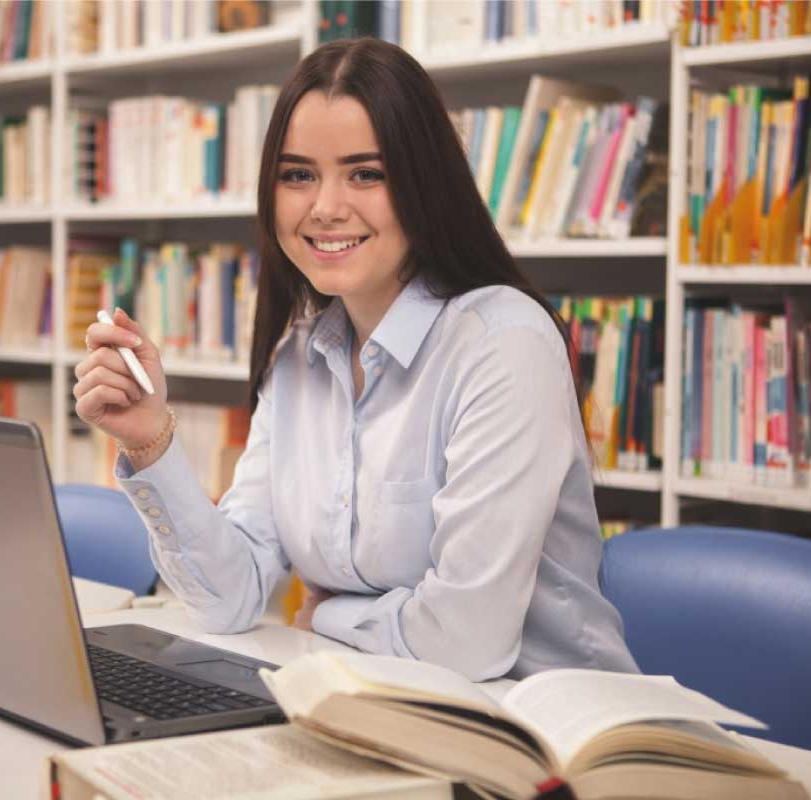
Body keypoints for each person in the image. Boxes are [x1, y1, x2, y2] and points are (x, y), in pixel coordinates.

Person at [74, 37, 638, 681]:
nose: (325, 207)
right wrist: (151, 439)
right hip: (379, 711)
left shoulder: (503, 344)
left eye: (365, 173)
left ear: (423, 184)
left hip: (541, 738)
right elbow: (229, 597)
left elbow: (465, 644)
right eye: (298, 174)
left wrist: (329, 614)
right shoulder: (297, 360)